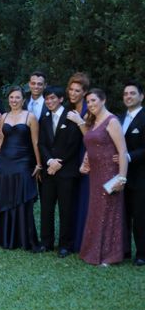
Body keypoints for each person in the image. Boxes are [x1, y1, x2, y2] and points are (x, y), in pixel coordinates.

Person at [79, 89, 127, 266]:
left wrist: (122, 178)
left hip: (110, 172)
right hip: (95, 174)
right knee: (96, 211)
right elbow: (91, 144)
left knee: (109, 212)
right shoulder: (92, 120)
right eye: (88, 102)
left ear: (103, 100)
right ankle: (93, 251)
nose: (90, 105)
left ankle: (109, 255)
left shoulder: (112, 121)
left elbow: (122, 151)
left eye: (93, 101)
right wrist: (86, 161)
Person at [0, 86, 41, 250]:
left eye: (17, 97)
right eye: (11, 97)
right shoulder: (3, 116)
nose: (14, 100)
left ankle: (24, 238)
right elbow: (0, 140)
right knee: (6, 196)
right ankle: (6, 238)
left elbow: (35, 142)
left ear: (23, 100)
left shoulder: (30, 117)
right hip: (5, 160)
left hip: (24, 161)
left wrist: (38, 163)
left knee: (21, 197)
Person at [37, 86, 83, 256]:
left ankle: (65, 245)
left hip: (66, 171)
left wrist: (59, 162)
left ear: (61, 99)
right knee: (46, 208)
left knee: (66, 209)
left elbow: (74, 143)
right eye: (47, 99)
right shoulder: (44, 119)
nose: (49, 102)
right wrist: (49, 161)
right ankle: (46, 242)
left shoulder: (72, 117)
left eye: (52, 98)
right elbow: (41, 143)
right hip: (49, 171)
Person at [64, 72, 91, 252]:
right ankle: (72, 240)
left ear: (85, 92)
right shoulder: (67, 107)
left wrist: (80, 121)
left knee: (85, 198)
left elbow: (92, 138)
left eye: (77, 90)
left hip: (87, 156)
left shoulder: (90, 110)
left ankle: (84, 241)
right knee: (72, 199)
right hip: (71, 158)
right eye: (71, 89)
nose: (73, 93)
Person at [120, 81, 145, 266]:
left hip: (140, 175)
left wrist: (127, 157)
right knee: (123, 214)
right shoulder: (119, 119)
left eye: (132, 93)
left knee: (140, 215)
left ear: (141, 96)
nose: (128, 96)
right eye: (126, 94)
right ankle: (125, 250)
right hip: (121, 176)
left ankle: (142, 254)